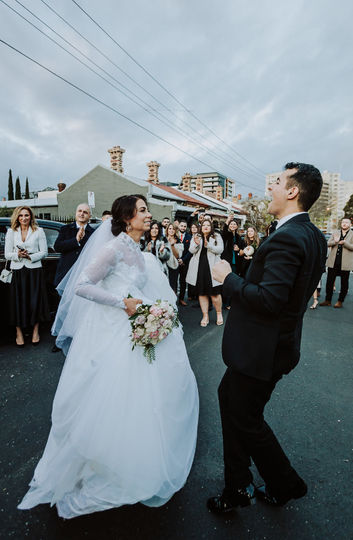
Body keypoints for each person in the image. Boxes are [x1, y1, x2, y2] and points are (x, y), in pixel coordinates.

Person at [18, 194, 199, 519]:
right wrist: (123, 303)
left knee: (140, 400)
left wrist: (153, 312)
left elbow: (141, 291)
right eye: (142, 210)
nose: (149, 215)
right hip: (112, 333)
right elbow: (83, 285)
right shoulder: (113, 248)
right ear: (127, 217)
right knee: (108, 398)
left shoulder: (140, 254)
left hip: (137, 332)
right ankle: (99, 464)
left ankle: (132, 460)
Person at [208, 162, 327, 514]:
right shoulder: (312, 234)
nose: (269, 188)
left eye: (276, 182)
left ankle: (283, 483)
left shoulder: (290, 236)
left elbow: (270, 301)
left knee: (245, 419)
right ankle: (240, 484)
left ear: (293, 191)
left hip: (261, 350)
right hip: (272, 346)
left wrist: (228, 277)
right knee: (229, 397)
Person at [5, 206, 50, 347]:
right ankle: (19, 332)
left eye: (26, 215)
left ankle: (35, 331)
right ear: (17, 217)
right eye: (21, 215)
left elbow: (44, 252)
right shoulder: (11, 232)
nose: (24, 218)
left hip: (34, 270)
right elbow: (7, 254)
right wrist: (18, 255)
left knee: (34, 301)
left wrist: (30, 256)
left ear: (31, 216)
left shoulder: (39, 231)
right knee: (17, 302)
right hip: (17, 271)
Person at [186, 219, 224, 326]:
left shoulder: (216, 236)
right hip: (199, 267)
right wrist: (197, 244)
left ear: (211, 227)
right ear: (201, 227)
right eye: (204, 225)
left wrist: (209, 246)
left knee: (215, 293)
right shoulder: (197, 236)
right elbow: (191, 250)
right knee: (202, 293)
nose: (206, 227)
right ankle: (205, 315)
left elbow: (220, 249)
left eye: (208, 225)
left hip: (212, 267)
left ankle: (219, 313)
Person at [53, 204, 95, 288]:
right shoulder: (65, 229)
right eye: (79, 211)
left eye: (85, 212)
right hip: (66, 273)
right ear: (76, 213)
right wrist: (76, 240)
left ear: (89, 216)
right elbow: (57, 247)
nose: (81, 214)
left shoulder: (93, 233)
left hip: (84, 274)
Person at [319, 217, 353, 308]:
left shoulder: (352, 234)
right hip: (333, 262)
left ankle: (340, 301)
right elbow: (327, 244)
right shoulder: (335, 233)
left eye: (346, 222)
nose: (344, 224)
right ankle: (327, 300)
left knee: (344, 283)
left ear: (350, 224)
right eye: (343, 222)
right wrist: (335, 241)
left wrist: (345, 243)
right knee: (329, 281)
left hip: (345, 263)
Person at [221, 216, 244, 309]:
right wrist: (227, 220)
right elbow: (224, 231)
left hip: (236, 262)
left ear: (237, 226)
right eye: (231, 224)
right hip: (227, 261)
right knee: (226, 282)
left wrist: (239, 249)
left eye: (235, 224)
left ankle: (232, 302)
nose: (233, 225)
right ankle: (226, 303)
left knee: (233, 282)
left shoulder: (239, 237)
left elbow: (242, 248)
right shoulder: (227, 235)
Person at [166, 223, 184, 292]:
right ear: (167, 230)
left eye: (173, 229)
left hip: (173, 265)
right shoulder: (163, 239)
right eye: (170, 229)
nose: (171, 230)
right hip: (164, 264)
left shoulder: (178, 241)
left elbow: (178, 255)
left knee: (173, 283)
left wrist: (172, 246)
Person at [177, 220, 192, 306]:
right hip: (174, 262)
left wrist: (183, 260)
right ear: (178, 226)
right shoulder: (174, 236)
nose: (183, 228)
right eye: (181, 226)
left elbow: (190, 251)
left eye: (184, 226)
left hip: (184, 262)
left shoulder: (189, 238)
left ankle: (181, 298)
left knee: (183, 281)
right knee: (173, 281)